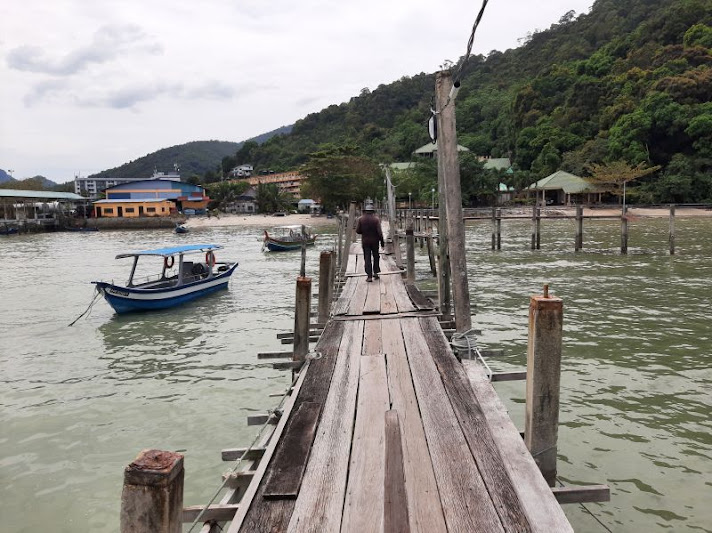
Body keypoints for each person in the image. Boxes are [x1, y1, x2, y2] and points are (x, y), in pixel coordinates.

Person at [355, 199, 384, 282]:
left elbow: (358, 231)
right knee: (376, 257)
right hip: (375, 241)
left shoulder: (361, 219)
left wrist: (364, 231)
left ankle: (369, 276)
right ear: (372, 211)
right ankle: (376, 272)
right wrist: (382, 243)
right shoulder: (376, 219)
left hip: (365, 241)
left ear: (365, 211)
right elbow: (380, 233)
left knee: (367, 258)